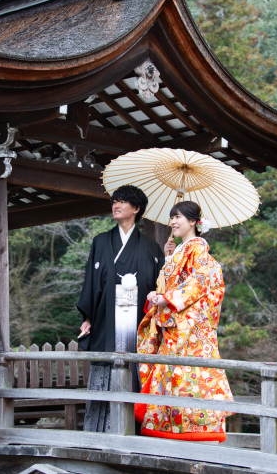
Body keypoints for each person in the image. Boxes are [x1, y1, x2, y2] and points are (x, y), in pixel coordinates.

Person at [136, 200, 233, 441]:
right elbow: (170, 283)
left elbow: (199, 281)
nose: (173, 222)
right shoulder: (179, 250)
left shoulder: (197, 248)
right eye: (172, 217)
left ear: (193, 222)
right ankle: (170, 428)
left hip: (187, 329)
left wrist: (167, 298)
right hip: (173, 326)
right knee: (174, 376)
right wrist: (167, 264)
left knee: (188, 376)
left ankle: (193, 431)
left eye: (179, 217)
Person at [76, 184, 164, 432]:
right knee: (105, 368)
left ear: (136, 208)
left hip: (137, 320)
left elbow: (160, 288)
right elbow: (91, 283)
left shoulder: (152, 248)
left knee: (135, 368)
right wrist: (88, 317)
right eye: (114, 200)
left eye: (123, 201)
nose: (116, 205)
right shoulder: (100, 241)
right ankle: (98, 431)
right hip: (106, 318)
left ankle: (134, 430)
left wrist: (168, 261)